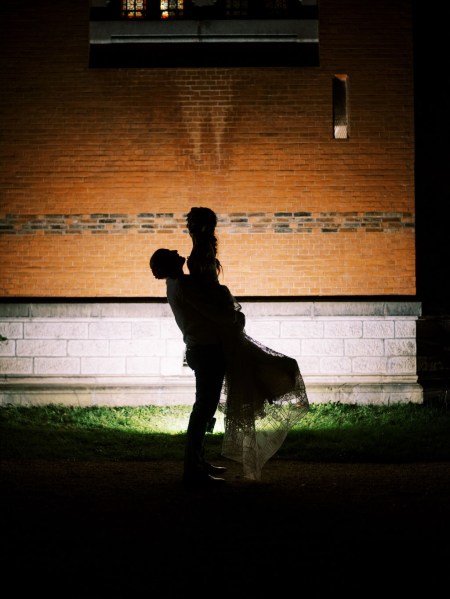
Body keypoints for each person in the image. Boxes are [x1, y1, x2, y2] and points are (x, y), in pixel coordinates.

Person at [184, 207, 310, 481]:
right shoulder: (197, 255)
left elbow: (209, 290)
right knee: (212, 400)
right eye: (194, 224)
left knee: (219, 395)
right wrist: (227, 313)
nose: (195, 228)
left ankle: (198, 461)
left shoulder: (201, 251)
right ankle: (195, 465)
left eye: (199, 224)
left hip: (223, 327)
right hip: (221, 329)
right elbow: (206, 293)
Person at [149, 248, 244, 487]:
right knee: (203, 408)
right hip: (206, 351)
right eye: (171, 252)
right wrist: (234, 317)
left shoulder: (178, 283)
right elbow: (214, 313)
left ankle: (198, 461)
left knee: (205, 407)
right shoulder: (184, 286)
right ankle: (193, 467)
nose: (176, 250)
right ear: (170, 263)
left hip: (200, 350)